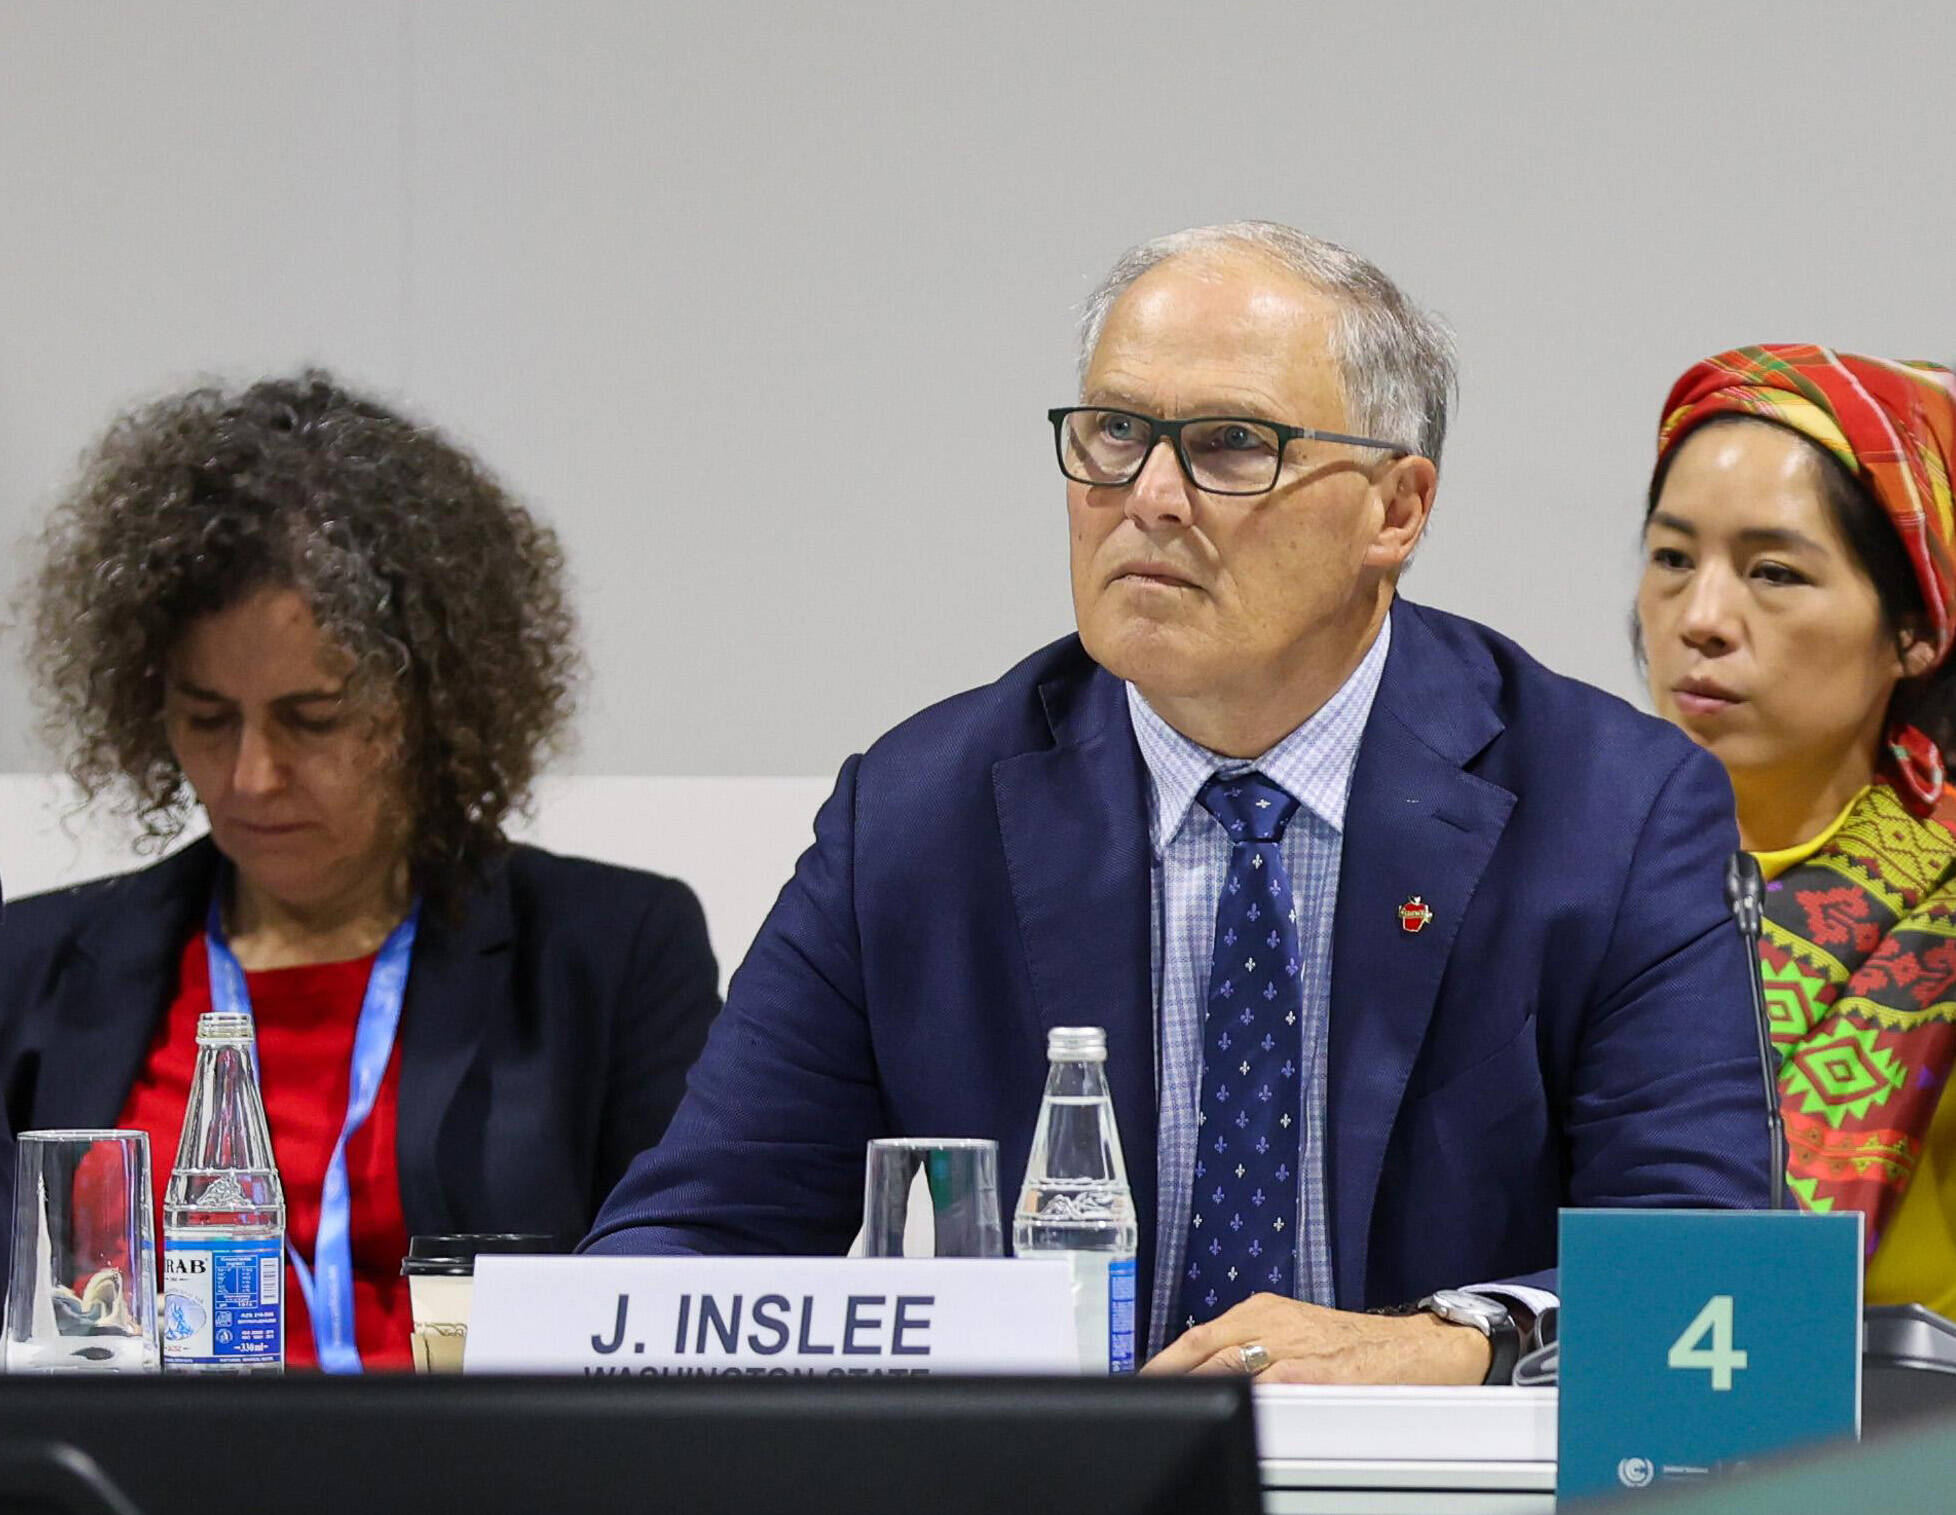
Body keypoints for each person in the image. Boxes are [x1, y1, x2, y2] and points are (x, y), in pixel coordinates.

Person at [584, 222, 1772, 1383]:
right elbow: (689, 1244)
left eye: (1232, 445)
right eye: (1115, 433)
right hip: (1050, 1478)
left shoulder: (1610, 810)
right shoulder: (914, 817)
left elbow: (1709, 1268)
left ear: (1396, 510)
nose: (1149, 495)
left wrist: (1448, 1342)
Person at [0, 372, 720, 1366]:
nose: (251, 775)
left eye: (314, 719)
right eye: (207, 719)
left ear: (430, 703)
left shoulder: (611, 950)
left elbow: (679, 1311)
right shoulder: (31, 967)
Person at [1638, 345, 1956, 1316]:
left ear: (1917, 628)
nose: (1701, 618)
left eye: (1773, 572)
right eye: (1672, 559)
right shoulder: (1555, 874)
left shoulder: (1942, 914)